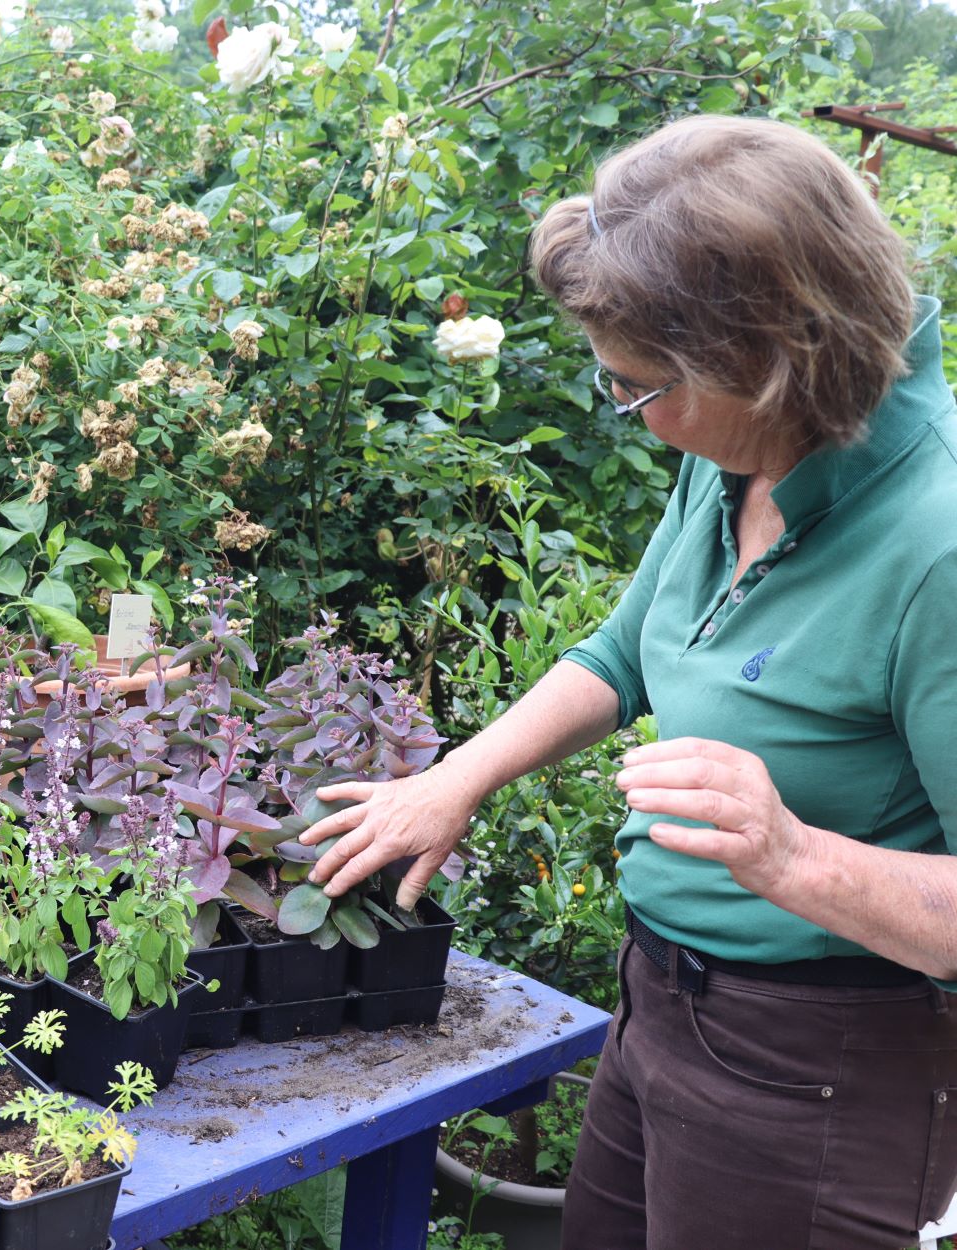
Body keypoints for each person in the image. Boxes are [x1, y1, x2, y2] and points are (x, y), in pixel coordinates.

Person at [298, 114, 957, 1249]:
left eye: (640, 387)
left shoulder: (934, 545)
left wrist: (791, 853)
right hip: (659, 1004)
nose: (636, 418)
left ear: (767, 360)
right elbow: (622, 650)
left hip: (822, 1068)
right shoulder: (748, 449)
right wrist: (455, 780)